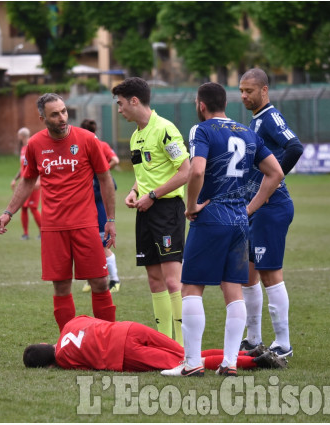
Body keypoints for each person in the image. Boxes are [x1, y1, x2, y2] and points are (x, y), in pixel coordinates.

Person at [162, 82, 284, 378]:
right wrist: (250, 208)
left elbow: (198, 169)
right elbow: (276, 173)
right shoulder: (248, 132)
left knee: (191, 287)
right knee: (233, 290)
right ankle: (229, 362)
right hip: (239, 220)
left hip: (211, 216)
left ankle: (192, 363)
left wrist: (191, 205)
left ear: (201, 105)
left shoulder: (201, 130)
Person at [0, 93, 117, 332]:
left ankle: (109, 338)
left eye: (64, 111)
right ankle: (69, 343)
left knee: (100, 282)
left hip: (86, 224)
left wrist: (110, 219)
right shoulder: (35, 144)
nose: (62, 118)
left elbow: (105, 178)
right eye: (55, 114)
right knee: (61, 287)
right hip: (53, 227)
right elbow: (27, 181)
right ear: (42, 118)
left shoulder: (87, 140)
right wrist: (8, 212)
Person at [111, 77, 189, 346]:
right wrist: (135, 190)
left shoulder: (165, 129)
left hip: (167, 209)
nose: (119, 110)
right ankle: (165, 342)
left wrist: (154, 195)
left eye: (121, 104)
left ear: (134, 100)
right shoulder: (136, 136)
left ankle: (182, 344)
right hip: (145, 210)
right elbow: (144, 173)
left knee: (171, 280)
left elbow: (186, 171)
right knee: (154, 279)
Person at [239, 68, 304, 359]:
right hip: (257, 207)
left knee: (269, 273)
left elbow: (295, 146)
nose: (244, 96)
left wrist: (274, 179)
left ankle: (284, 345)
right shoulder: (254, 122)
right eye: (241, 91)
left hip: (272, 205)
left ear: (264, 90)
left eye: (249, 91)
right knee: (248, 274)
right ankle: (253, 339)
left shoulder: (270, 117)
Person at [23, 315, 287, 372]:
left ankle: (254, 361)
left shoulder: (65, 361)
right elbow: (93, 320)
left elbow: (88, 365)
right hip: (128, 329)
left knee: (189, 364)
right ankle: (247, 352)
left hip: (123, 352)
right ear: (46, 342)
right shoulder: (70, 324)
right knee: (188, 354)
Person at [79, 119, 121, 293]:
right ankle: (92, 278)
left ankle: (115, 281)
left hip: (100, 200)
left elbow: (115, 160)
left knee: (102, 244)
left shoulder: (99, 145)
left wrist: (101, 170)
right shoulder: (80, 146)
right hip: (86, 201)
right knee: (89, 244)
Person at [10, 127, 42, 240]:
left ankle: (43, 232)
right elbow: (22, 167)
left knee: (33, 207)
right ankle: (25, 233)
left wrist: (38, 180)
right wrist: (15, 178)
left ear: (21, 136)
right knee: (23, 207)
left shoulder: (32, 146)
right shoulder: (23, 148)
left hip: (34, 183)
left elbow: (39, 164)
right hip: (25, 183)